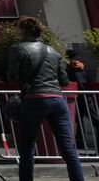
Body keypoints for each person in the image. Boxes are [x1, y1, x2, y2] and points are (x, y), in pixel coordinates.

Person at [7, 16, 84, 181]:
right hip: (57, 99)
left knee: (28, 148)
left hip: (34, 98)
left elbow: (12, 76)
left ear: (22, 30)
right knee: (68, 149)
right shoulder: (53, 51)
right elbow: (63, 80)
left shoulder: (18, 49)